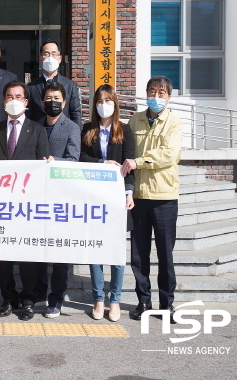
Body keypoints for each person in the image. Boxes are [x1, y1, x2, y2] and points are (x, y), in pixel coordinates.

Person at [121, 76, 182, 324]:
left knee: (165, 254)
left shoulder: (174, 123)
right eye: (152, 91)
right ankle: (143, 301)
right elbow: (126, 154)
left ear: (168, 97)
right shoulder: (133, 121)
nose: (156, 97)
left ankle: (167, 304)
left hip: (164, 197)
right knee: (139, 254)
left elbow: (168, 155)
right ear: (145, 93)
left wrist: (139, 162)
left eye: (162, 93)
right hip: (138, 198)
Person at [0, 81, 50, 321]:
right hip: (0, 202)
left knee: (27, 255)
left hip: (27, 204)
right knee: (3, 257)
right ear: (3, 101)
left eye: (18, 96)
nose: (13, 100)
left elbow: (42, 165)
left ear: (26, 102)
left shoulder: (37, 130)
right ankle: (8, 298)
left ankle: (28, 299)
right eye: (9, 96)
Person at [80, 84, 135, 322]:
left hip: (117, 198)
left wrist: (129, 193)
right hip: (94, 197)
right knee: (96, 251)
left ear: (115, 103)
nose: (104, 105)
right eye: (100, 101)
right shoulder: (87, 129)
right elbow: (81, 158)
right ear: (95, 105)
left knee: (116, 253)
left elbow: (129, 163)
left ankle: (115, 300)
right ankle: (98, 298)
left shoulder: (124, 130)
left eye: (108, 100)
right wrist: (102, 162)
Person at [34, 81, 80, 318]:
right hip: (38, 198)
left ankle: (56, 299)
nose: (52, 102)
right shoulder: (35, 125)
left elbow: (74, 159)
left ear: (64, 102)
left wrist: (54, 163)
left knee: (60, 253)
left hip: (62, 197)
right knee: (39, 251)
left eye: (57, 98)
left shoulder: (71, 127)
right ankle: (39, 293)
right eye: (48, 98)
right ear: (42, 102)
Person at [26, 39, 82, 127]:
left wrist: (76, 136)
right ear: (40, 58)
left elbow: (75, 113)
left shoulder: (70, 85)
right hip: (39, 135)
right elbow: (28, 115)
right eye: (46, 54)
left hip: (63, 134)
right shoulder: (31, 87)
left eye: (54, 54)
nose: (50, 57)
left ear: (60, 58)